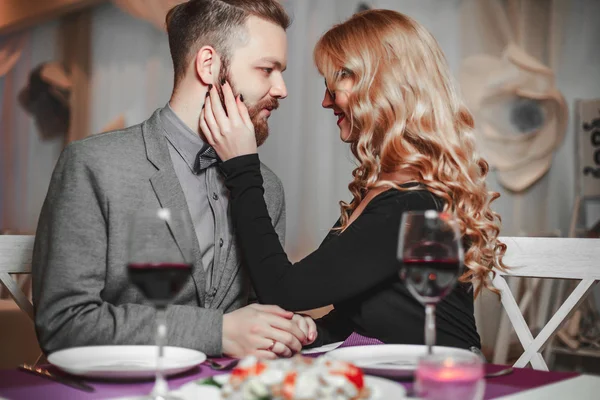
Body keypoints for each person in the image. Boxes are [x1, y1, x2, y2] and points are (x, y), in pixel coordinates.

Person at [200, 9, 508, 350]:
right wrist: (309, 329)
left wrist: (242, 168)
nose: (325, 100)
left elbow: (283, 290)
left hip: (435, 378)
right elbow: (366, 314)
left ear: (385, 84)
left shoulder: (413, 204)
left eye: (337, 81)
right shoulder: (389, 190)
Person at [32, 0, 316, 360]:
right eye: (267, 69)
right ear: (209, 65)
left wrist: (286, 325)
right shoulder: (93, 165)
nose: (282, 88)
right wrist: (218, 331)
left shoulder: (267, 188)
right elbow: (63, 322)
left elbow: (260, 312)